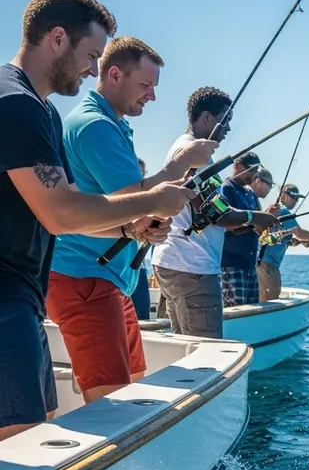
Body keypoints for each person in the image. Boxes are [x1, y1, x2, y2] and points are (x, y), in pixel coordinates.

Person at [0, 0, 191, 440]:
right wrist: (154, 199)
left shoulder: (43, 112)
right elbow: (61, 212)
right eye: (91, 55)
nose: (93, 69)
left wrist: (131, 228)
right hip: (5, 297)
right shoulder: (15, 104)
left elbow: (64, 208)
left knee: (39, 435)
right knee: (26, 451)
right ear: (58, 38)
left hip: (23, 296)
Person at [45, 36, 217, 404]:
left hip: (110, 279)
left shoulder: (112, 123)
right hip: (85, 280)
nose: (151, 97)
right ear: (114, 74)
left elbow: (130, 203)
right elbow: (132, 198)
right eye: (145, 85)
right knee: (111, 402)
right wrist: (180, 165)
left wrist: (142, 225)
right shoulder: (94, 125)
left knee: (135, 385)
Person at [152, 92, 280, 335]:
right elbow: (214, 213)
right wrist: (255, 218)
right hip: (192, 267)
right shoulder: (194, 154)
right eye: (226, 120)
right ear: (207, 117)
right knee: (205, 354)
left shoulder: (181, 147)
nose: (229, 128)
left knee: (184, 349)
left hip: (174, 261)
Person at [219, 152, 282, 307]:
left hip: (250, 265)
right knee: (236, 311)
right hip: (230, 263)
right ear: (237, 166)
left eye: (256, 171)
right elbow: (223, 222)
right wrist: (256, 220)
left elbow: (256, 226)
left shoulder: (250, 194)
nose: (253, 175)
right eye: (251, 170)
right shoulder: (226, 189)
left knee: (251, 310)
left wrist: (266, 219)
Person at [256, 183, 309, 301]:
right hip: (268, 265)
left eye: (298, 199)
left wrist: (299, 242)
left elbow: (278, 236)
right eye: (294, 197)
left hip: (261, 264)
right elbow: (300, 233)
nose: (296, 201)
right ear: (284, 195)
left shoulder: (276, 211)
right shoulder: (284, 211)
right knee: (270, 302)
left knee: (265, 299)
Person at [132, 157, 154, 320]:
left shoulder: (147, 200)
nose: (140, 177)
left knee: (142, 315)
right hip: (118, 269)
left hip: (139, 268)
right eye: (136, 172)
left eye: (142, 173)